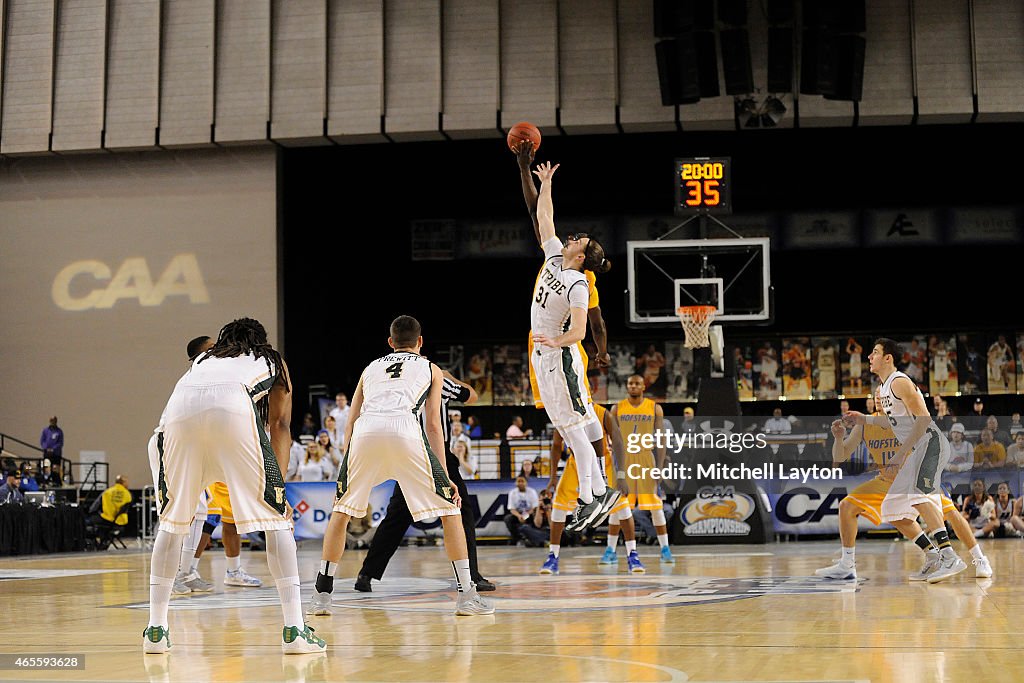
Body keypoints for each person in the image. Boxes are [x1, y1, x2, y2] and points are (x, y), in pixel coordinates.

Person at [144, 318, 325, 654]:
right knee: (276, 522)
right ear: (260, 340)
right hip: (232, 413)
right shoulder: (271, 359)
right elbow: (280, 424)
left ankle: (155, 629)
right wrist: (279, 490)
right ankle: (295, 630)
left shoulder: (203, 359)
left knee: (171, 524)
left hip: (176, 422)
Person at [307, 316, 493, 617]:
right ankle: (466, 596)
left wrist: (347, 463)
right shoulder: (431, 368)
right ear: (420, 342)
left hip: (365, 433)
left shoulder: (370, 368)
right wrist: (444, 475)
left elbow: (351, 420)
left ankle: (321, 597)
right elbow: (433, 425)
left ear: (390, 342)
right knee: (449, 510)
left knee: (341, 511)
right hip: (405, 430)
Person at [523, 158, 619, 532]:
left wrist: (555, 339)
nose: (571, 237)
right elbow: (544, 217)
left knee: (571, 429)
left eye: (578, 240)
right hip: (546, 356)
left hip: (559, 358)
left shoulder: (579, 285)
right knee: (583, 422)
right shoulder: (552, 257)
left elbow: (580, 331)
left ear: (580, 256)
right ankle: (603, 490)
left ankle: (589, 498)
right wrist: (546, 182)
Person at [351, 365, 493, 594]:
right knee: (460, 512)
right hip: (436, 451)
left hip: (409, 450)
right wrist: (448, 376)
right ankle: (470, 576)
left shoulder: (395, 383)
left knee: (397, 516)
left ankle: (366, 573)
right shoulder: (434, 376)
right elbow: (472, 396)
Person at [842, 338, 967, 583]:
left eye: (875, 352)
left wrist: (899, 456)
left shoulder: (899, 382)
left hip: (930, 443)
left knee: (919, 495)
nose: (869, 357)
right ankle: (933, 556)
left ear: (888, 358)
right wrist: (864, 419)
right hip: (918, 446)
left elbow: (923, 419)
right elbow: (895, 422)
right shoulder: (886, 387)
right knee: (892, 509)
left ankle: (950, 556)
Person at [816, 407, 992, 581]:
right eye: (877, 393)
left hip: (916, 476)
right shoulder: (864, 424)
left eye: (883, 391)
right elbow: (839, 457)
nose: (880, 396)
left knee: (950, 512)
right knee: (849, 507)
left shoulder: (904, 417)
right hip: (886, 481)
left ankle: (980, 559)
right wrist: (839, 438)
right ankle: (847, 565)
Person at [611, 375, 675, 565]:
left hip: (647, 458)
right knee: (619, 506)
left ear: (643, 386)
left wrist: (661, 467)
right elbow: (613, 439)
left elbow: (661, 439)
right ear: (627, 386)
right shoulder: (617, 408)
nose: (633, 386)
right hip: (625, 460)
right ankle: (610, 550)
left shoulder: (655, 407)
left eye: (637, 383)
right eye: (630, 383)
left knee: (656, 506)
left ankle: (665, 549)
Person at [504, 476, 539, 544]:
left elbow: (534, 507)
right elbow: (511, 508)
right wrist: (519, 516)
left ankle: (533, 537)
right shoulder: (512, 492)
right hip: (518, 513)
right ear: (515, 483)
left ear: (526, 483)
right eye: (518, 481)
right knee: (508, 519)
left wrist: (525, 515)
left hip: (529, 513)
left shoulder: (532, 492)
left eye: (522, 481)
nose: (520, 483)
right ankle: (516, 537)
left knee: (536, 518)